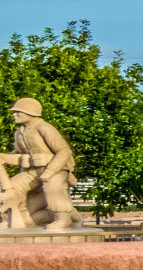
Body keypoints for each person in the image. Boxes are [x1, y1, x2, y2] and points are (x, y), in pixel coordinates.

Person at [3, 98, 85, 232]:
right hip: (32, 171)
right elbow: (20, 153)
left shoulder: (43, 127)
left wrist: (51, 171)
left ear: (30, 112)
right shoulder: (18, 133)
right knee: (13, 187)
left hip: (55, 169)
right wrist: (5, 158)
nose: (14, 115)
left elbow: (64, 151)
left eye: (18, 112)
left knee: (53, 189)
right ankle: (19, 218)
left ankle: (63, 218)